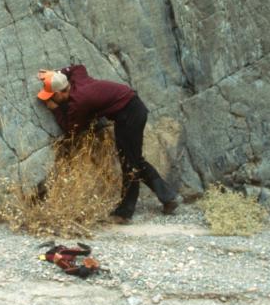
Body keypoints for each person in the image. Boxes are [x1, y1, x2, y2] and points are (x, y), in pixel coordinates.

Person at [36, 65, 178, 223]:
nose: (49, 99)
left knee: (129, 164)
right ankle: (168, 198)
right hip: (132, 108)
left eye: (51, 96)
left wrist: (55, 109)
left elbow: (71, 129)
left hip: (129, 115)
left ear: (61, 92)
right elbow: (77, 67)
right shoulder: (78, 80)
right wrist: (56, 74)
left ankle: (124, 213)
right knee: (134, 160)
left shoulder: (79, 102)